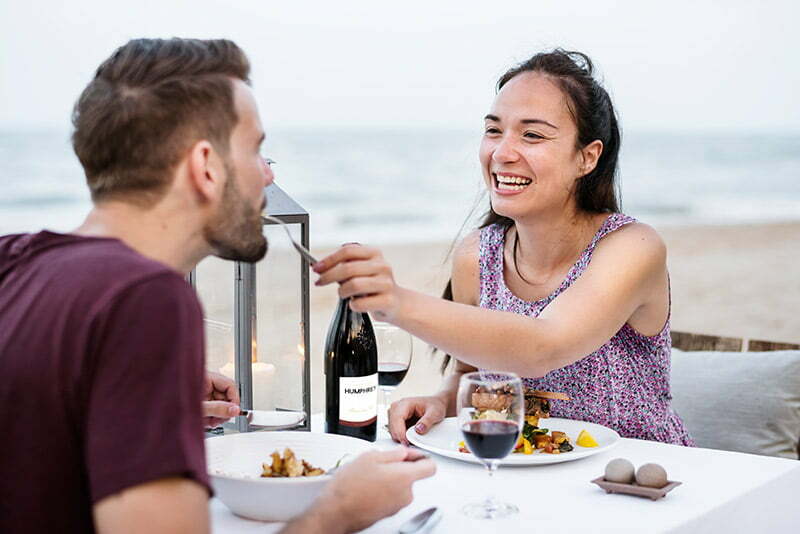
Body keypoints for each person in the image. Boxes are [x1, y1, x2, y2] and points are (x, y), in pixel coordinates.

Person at [0, 38, 434, 534]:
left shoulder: (13, 258)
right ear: (205, 165)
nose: (268, 176)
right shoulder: (147, 300)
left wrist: (154, 403)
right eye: (257, 151)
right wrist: (339, 512)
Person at [315, 50, 694, 447]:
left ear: (587, 157)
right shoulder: (476, 256)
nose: (502, 153)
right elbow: (468, 373)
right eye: (494, 130)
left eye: (532, 135)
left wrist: (395, 302)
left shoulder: (632, 247)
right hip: (519, 479)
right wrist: (441, 401)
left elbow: (543, 346)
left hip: (637, 482)